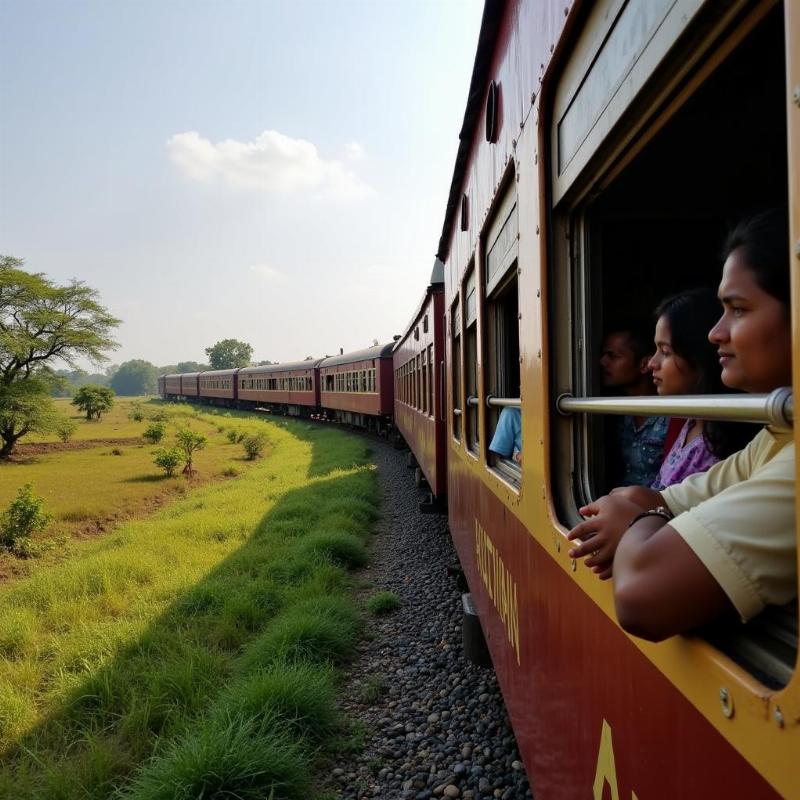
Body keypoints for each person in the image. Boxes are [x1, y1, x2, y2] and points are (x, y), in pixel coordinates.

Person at [568, 210, 794, 641]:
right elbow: (662, 497)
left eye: (738, 309)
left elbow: (640, 596)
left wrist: (635, 520)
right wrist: (643, 510)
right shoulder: (776, 435)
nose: (716, 332)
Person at [647, 288, 757, 490]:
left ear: (699, 358)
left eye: (665, 352)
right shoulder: (690, 421)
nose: (651, 363)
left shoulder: (725, 444)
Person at [601, 326, 668, 486]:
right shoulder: (614, 412)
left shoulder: (670, 416)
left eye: (612, 356)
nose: (603, 362)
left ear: (644, 364)